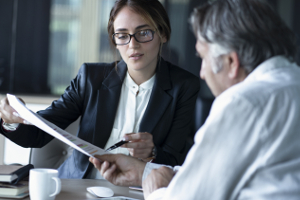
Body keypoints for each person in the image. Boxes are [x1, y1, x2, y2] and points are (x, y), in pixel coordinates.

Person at [89, 0, 300, 199]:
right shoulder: (291, 84)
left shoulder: (244, 103)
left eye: (204, 58)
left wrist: (155, 193)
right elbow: (215, 172)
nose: (202, 73)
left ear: (231, 62)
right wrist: (144, 172)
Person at [0, 0, 200, 179]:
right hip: (79, 187)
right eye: (122, 35)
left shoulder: (184, 86)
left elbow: (176, 160)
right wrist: (11, 121)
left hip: (139, 192)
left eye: (144, 33)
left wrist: (152, 153)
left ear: (163, 34)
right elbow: (40, 132)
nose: (133, 45)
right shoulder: (90, 78)